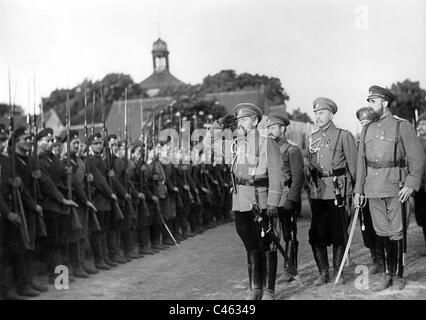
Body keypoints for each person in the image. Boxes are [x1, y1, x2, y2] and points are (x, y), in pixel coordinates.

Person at [208, 103, 284, 300]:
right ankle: (255, 288)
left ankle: (269, 290)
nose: (240, 123)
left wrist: (273, 202)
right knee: (250, 245)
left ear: (255, 121)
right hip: (240, 200)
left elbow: (277, 175)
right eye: (238, 119)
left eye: (244, 119)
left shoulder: (267, 142)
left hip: (261, 200)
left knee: (267, 244)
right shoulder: (235, 145)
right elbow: (210, 141)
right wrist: (219, 124)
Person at [354, 85, 425, 291]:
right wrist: (359, 190)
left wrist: (411, 184)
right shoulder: (367, 129)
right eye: (368, 101)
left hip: (396, 187)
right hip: (373, 189)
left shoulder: (401, 126)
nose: (370, 105)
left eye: (373, 101)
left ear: (385, 102)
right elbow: (361, 163)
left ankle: (398, 275)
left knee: (397, 232)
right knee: (381, 232)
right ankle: (387, 274)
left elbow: (417, 158)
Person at [307, 97, 357, 285]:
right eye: (316, 113)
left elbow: (353, 167)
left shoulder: (343, 135)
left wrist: (356, 192)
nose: (317, 117)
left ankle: (339, 271)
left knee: (338, 232)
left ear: (331, 114)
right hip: (318, 192)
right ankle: (323, 272)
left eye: (321, 113)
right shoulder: (312, 138)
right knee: (317, 234)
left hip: (338, 191)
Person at [266, 113, 304, 283]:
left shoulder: (292, 149)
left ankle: (289, 269)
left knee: (288, 234)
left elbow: (298, 177)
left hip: (286, 197)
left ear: (282, 129)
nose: (270, 131)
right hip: (271, 197)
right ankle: (271, 270)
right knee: (271, 234)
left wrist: (292, 199)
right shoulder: (266, 148)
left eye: (273, 127)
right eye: (268, 128)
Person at [355, 107, 383, 274]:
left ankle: (385, 258)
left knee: (381, 224)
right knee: (366, 225)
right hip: (363, 191)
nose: (364, 125)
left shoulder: (379, 140)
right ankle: (375, 258)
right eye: (362, 122)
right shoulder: (357, 142)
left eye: (367, 122)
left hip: (379, 189)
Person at [414, 112, 426, 255]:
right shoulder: (414, 143)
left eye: (424, 124)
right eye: (419, 124)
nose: (421, 127)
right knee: (422, 218)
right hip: (420, 187)